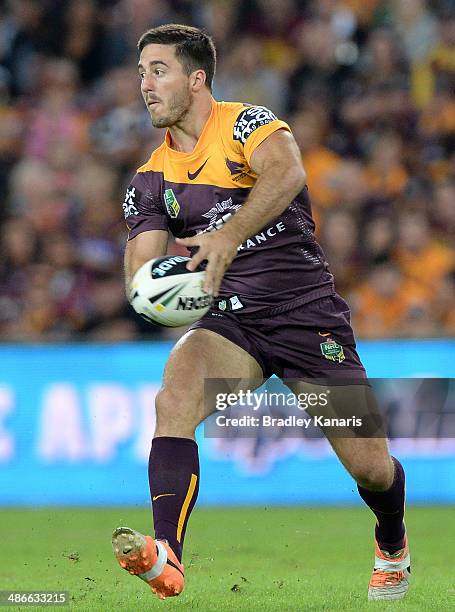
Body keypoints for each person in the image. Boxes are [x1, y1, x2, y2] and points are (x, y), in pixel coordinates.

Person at [112, 24, 410, 602]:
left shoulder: (247, 125)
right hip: (231, 325)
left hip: (305, 315)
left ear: (196, 79)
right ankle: (167, 556)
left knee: (372, 469)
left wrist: (227, 235)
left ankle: (392, 540)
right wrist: (151, 292)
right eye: (141, 72)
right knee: (173, 397)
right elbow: (142, 266)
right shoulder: (151, 178)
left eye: (158, 70)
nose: (144, 85)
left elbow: (287, 174)